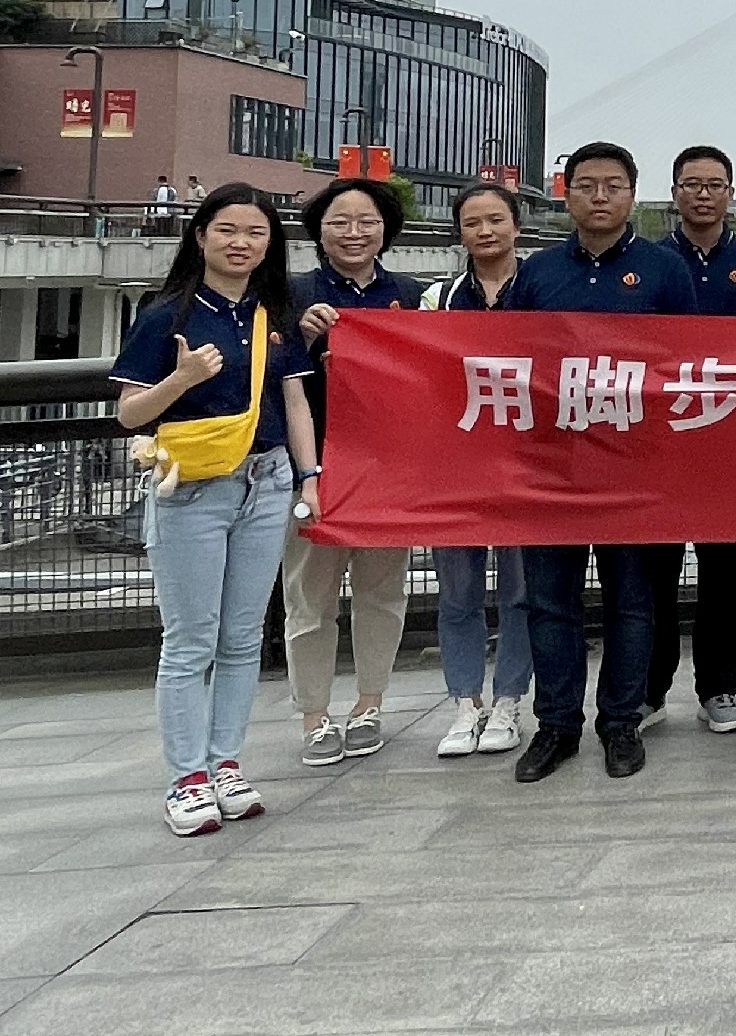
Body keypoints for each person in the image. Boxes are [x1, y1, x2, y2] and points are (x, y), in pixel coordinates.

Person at [115, 185, 317, 835]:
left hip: (268, 481)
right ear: (200, 236)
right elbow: (129, 413)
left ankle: (225, 762)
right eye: (227, 229)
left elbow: (293, 402)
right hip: (192, 489)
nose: (240, 243)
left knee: (241, 637)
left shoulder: (275, 313)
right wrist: (181, 380)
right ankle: (187, 777)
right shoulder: (165, 314)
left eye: (255, 233)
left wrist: (308, 479)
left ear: (270, 244)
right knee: (190, 641)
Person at [508, 141, 698, 784]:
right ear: (566, 194)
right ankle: (556, 726)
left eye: (613, 185)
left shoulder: (665, 271)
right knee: (550, 603)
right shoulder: (537, 273)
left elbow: (684, 366)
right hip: (553, 466)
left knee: (633, 602)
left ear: (632, 195)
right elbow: (508, 361)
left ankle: (621, 723)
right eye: (586, 184)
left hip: (635, 466)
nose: (599, 196)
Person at [284, 176, 423, 769]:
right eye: (339, 222)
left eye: (367, 221)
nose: (354, 233)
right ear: (318, 231)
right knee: (309, 596)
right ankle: (314, 715)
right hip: (312, 466)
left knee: (382, 591)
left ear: (386, 230)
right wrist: (301, 336)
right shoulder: (291, 294)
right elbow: (270, 374)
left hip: (388, 468)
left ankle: (370, 704)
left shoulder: (410, 295)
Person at [642, 145, 736, 740]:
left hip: (728, 442)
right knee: (655, 572)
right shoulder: (648, 262)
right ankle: (649, 690)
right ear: (674, 193)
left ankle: (719, 686)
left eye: (714, 184)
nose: (702, 194)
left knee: (725, 571)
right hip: (658, 442)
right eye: (691, 184)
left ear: (730, 193)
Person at [421, 183, 532, 759]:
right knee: (457, 594)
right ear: (458, 233)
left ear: (517, 225)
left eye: (495, 220)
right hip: (455, 468)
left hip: (526, 467)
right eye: (472, 223)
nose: (485, 231)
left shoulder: (541, 290)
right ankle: (465, 703)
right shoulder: (438, 299)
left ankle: (509, 700)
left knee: (521, 593)